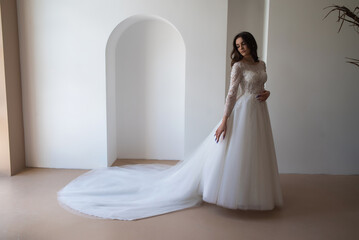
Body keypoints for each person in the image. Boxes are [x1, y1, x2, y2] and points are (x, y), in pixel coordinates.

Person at [57, 31, 283, 221]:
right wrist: (224, 120)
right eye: (237, 45)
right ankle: (236, 194)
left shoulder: (261, 63)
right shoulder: (238, 66)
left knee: (256, 152)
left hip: (260, 112)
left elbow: (261, 84)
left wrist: (268, 92)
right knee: (236, 152)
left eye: (243, 44)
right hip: (243, 111)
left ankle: (253, 193)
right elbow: (232, 94)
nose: (241, 48)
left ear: (251, 43)